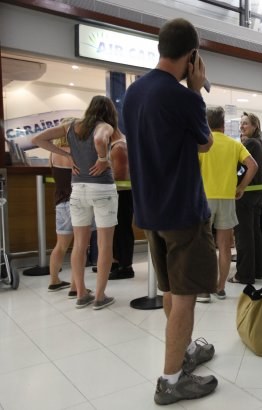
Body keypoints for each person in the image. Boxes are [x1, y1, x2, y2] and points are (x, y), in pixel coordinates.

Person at [121, 18, 218, 405]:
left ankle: (185, 351)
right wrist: (196, 90)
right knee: (185, 297)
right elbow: (206, 144)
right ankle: (171, 379)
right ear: (192, 55)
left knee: (169, 290)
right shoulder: (184, 97)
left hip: (150, 212)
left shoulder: (133, 93)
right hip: (183, 212)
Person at [33, 96, 118, 310]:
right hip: (102, 190)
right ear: (108, 112)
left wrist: (66, 155)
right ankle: (99, 296)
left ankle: (80, 294)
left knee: (79, 245)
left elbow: (39, 139)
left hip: (78, 190)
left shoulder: (71, 127)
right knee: (104, 244)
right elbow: (99, 139)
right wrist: (101, 158)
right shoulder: (104, 126)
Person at [198, 107, 258, 302]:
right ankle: (220, 287)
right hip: (227, 198)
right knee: (225, 246)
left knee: (204, 246)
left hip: (205, 199)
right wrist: (241, 187)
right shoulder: (234, 144)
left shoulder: (202, 144)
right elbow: (253, 166)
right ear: (224, 124)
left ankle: (204, 290)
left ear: (206, 123)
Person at [232, 112, 262, 284]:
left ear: (255, 126)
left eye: (245, 123)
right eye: (241, 123)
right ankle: (257, 270)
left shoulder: (251, 143)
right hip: (257, 194)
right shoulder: (259, 143)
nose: (242, 126)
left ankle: (244, 274)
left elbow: (245, 169)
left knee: (244, 234)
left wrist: (239, 186)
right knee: (254, 232)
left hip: (247, 194)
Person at [44, 118, 77, 295]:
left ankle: (54, 280)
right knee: (79, 245)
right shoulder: (74, 152)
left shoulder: (53, 154)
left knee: (61, 245)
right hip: (77, 202)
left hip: (61, 202)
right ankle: (75, 286)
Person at [108, 128, 135, 280]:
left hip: (122, 193)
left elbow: (120, 175)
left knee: (122, 228)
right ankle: (116, 261)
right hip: (117, 193)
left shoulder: (119, 147)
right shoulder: (118, 145)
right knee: (116, 229)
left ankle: (125, 266)